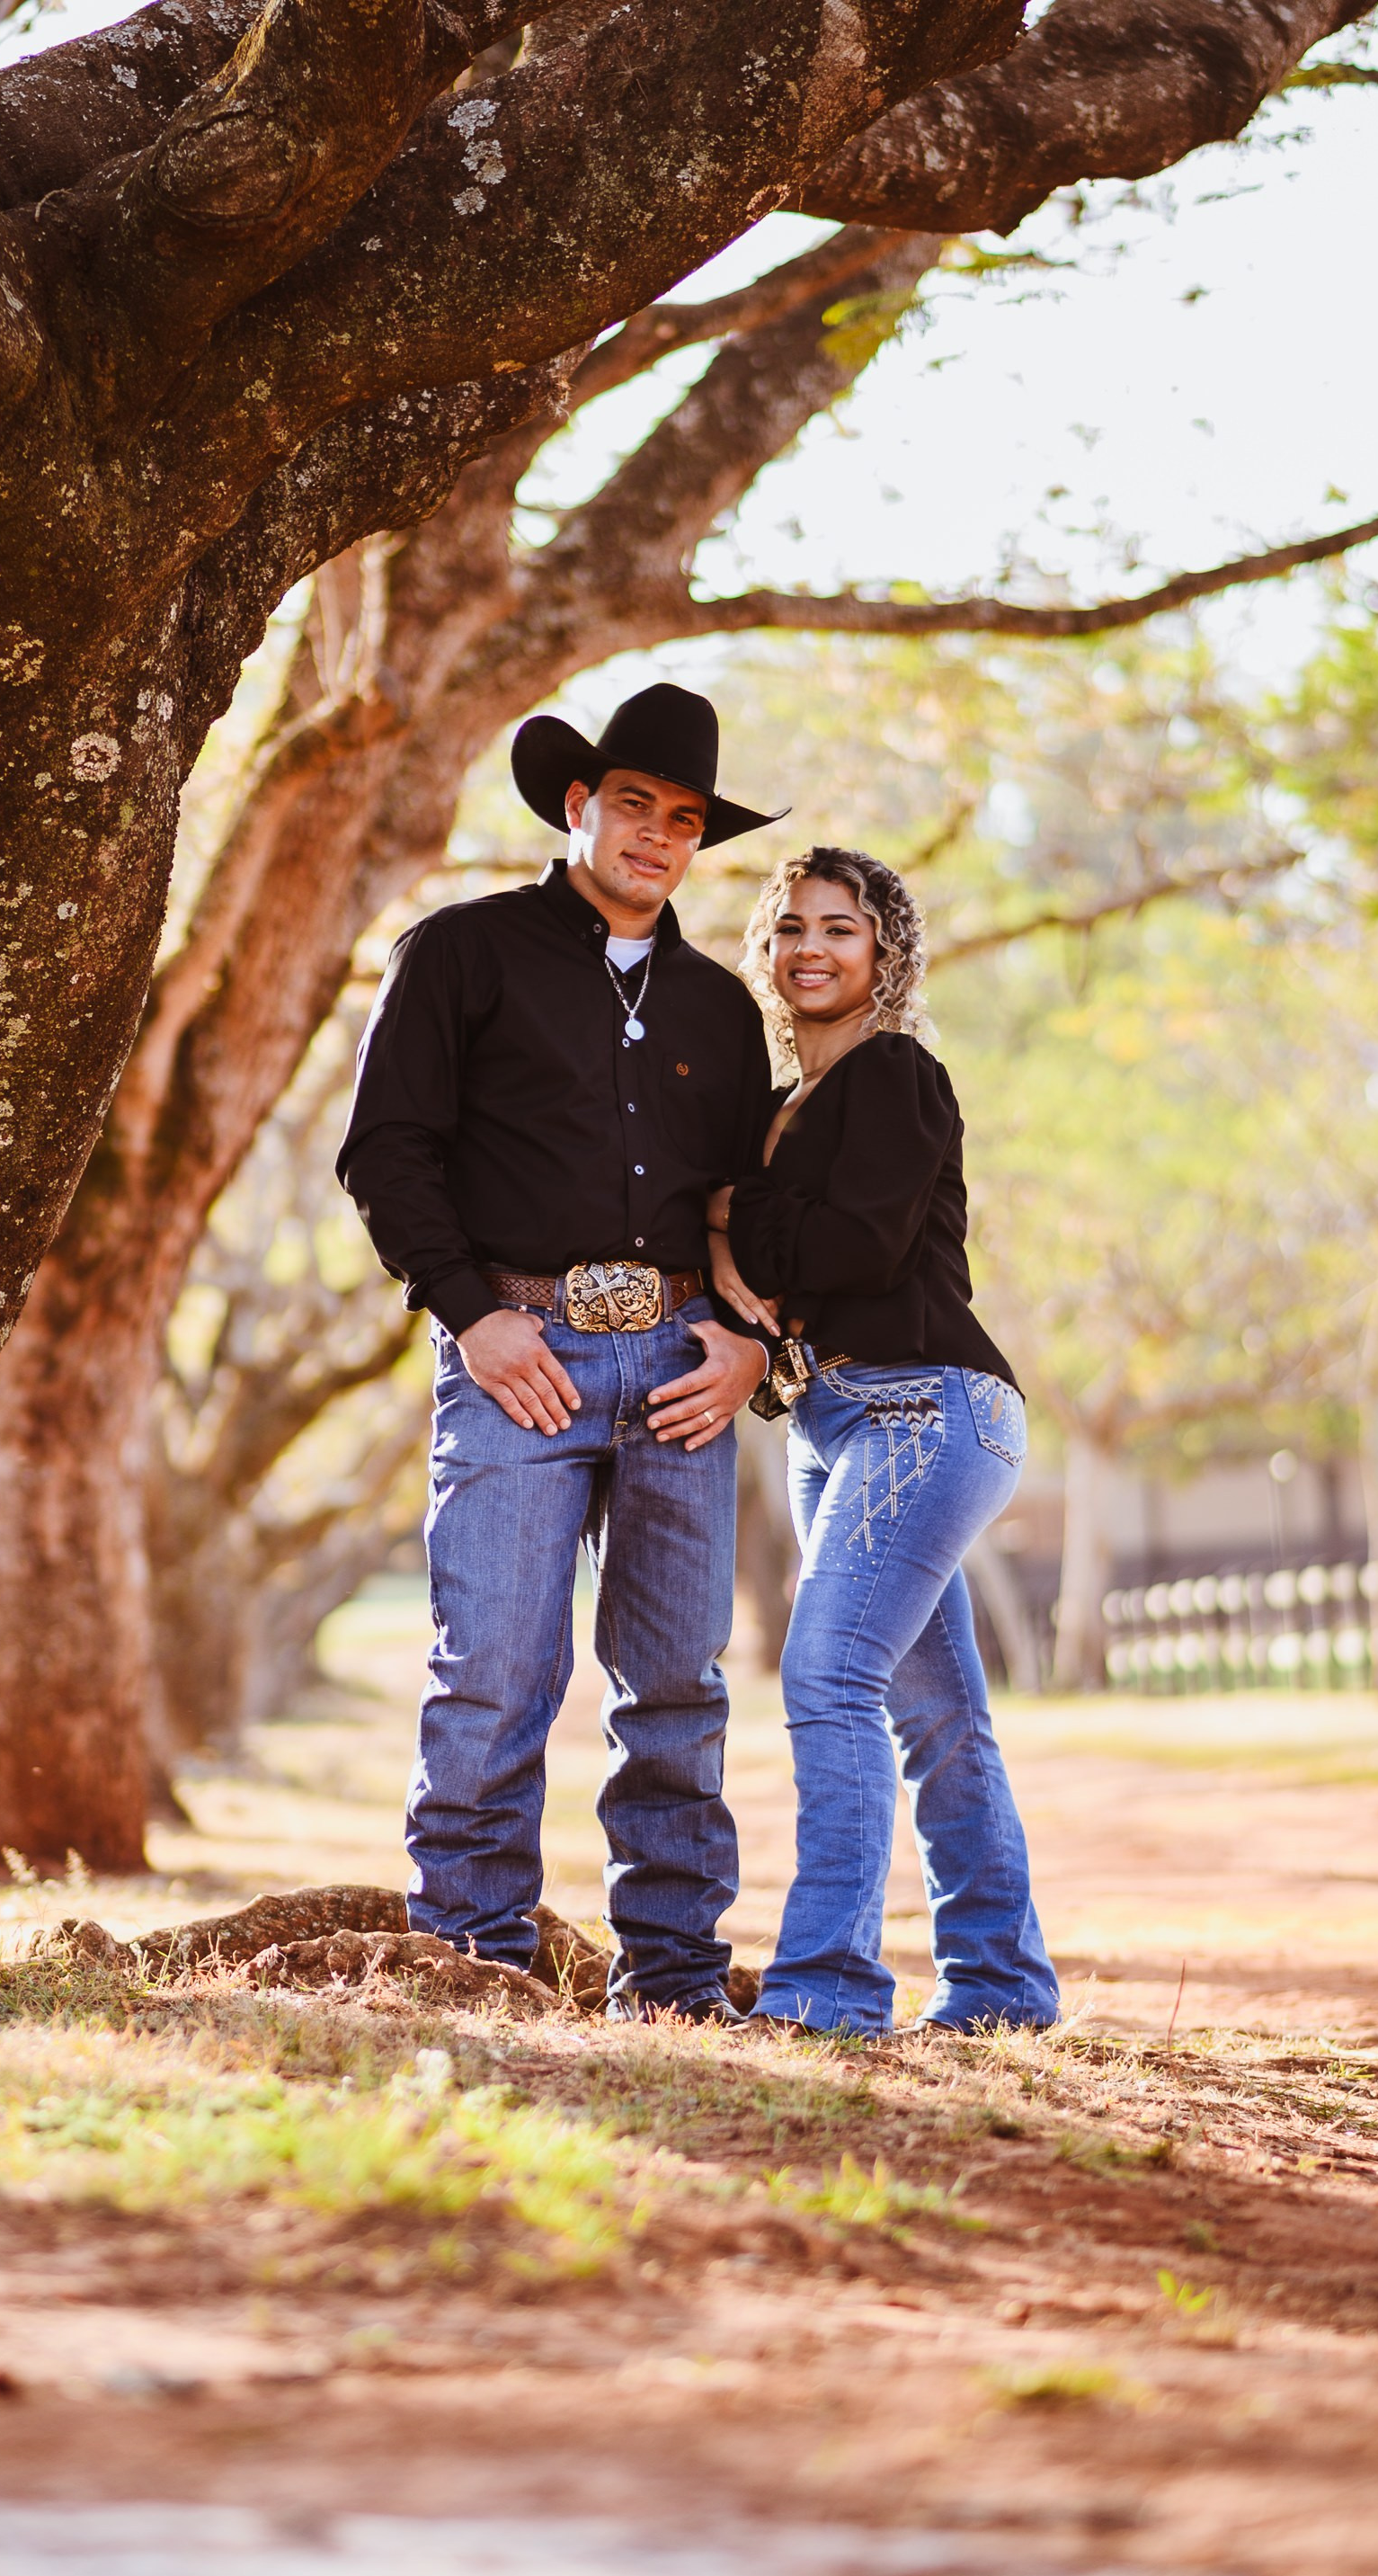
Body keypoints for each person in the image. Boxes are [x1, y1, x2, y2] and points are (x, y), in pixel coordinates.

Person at [338, 683, 785, 2021]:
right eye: (635, 805)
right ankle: (475, 1965)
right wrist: (470, 1313)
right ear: (579, 805)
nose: (658, 836)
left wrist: (748, 1344)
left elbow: (748, 1206)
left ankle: (676, 1978)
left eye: (684, 819)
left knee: (676, 1686)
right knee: (493, 1668)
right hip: (515, 1356)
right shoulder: (460, 953)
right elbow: (385, 1150)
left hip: (682, 1371)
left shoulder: (721, 1010)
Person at [706, 846, 1059, 2038]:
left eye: (840, 929)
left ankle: (830, 1986)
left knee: (828, 1675)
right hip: (830, 1422)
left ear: (886, 953)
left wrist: (732, 1212)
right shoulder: (776, 1109)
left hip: (927, 1409)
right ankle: (1001, 1986)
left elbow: (857, 1248)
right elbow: (775, 1252)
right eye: (791, 927)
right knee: (936, 1714)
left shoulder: (897, 1074)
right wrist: (730, 1218)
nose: (811, 949)